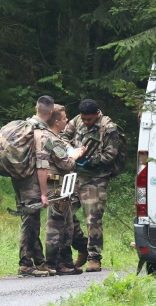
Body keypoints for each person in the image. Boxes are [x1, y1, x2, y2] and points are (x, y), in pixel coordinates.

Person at [61, 99, 122, 272]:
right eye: (84, 119)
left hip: (96, 178)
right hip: (75, 176)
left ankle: (94, 257)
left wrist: (90, 161)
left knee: (93, 219)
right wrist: (71, 152)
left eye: (89, 119)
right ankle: (81, 246)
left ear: (97, 114)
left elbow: (111, 154)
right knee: (64, 213)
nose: (86, 122)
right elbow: (63, 137)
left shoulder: (108, 127)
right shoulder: (77, 120)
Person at [12, 95, 56, 277]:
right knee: (29, 222)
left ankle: (39, 262)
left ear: (36, 107)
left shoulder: (24, 126)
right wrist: (44, 194)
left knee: (31, 220)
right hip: (31, 181)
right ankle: (24, 265)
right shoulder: (42, 134)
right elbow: (41, 166)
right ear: (51, 112)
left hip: (18, 178)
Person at [43, 104, 86, 275]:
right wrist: (75, 155)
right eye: (64, 118)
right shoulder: (53, 140)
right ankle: (55, 263)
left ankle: (65, 262)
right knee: (57, 226)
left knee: (66, 224)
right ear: (56, 121)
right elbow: (66, 163)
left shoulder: (52, 137)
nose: (67, 120)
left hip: (60, 187)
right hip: (56, 188)